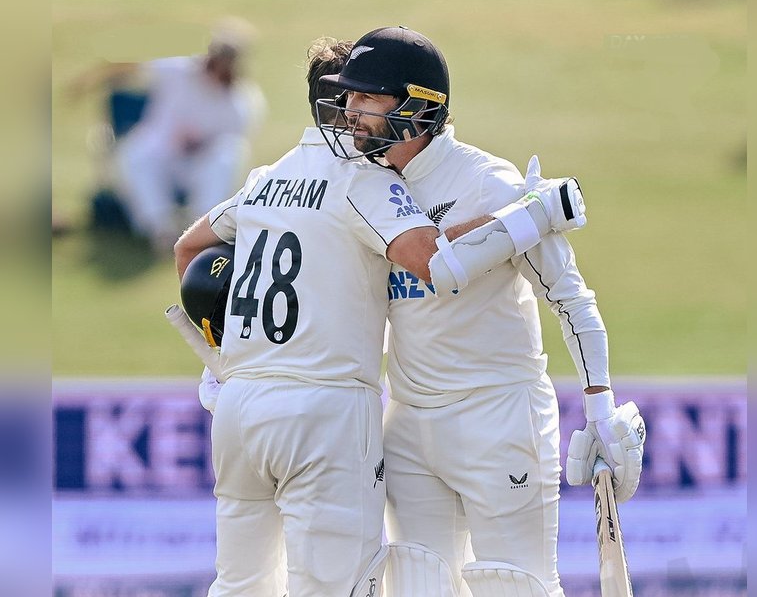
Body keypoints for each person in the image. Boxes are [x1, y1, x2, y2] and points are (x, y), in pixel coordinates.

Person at [174, 36, 578, 597]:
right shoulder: (364, 180)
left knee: (239, 584)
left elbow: (189, 249)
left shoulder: (266, 178)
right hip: (325, 407)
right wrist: (529, 214)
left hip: (239, 404)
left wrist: (224, 347)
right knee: (338, 587)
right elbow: (432, 258)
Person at [318, 26, 646, 597]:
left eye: (368, 97)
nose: (351, 111)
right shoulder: (367, 187)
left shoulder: (491, 182)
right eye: (349, 96)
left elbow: (570, 296)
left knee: (519, 587)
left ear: (418, 108)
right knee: (421, 588)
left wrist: (601, 409)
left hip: (500, 417)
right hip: (411, 420)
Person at [73, 18, 266, 251]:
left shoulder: (242, 101)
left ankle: (204, 230)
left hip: (197, 168)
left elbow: (233, 142)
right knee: (137, 152)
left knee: (229, 153)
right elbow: (131, 69)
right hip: (160, 156)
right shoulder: (178, 71)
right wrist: (88, 81)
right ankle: (160, 230)